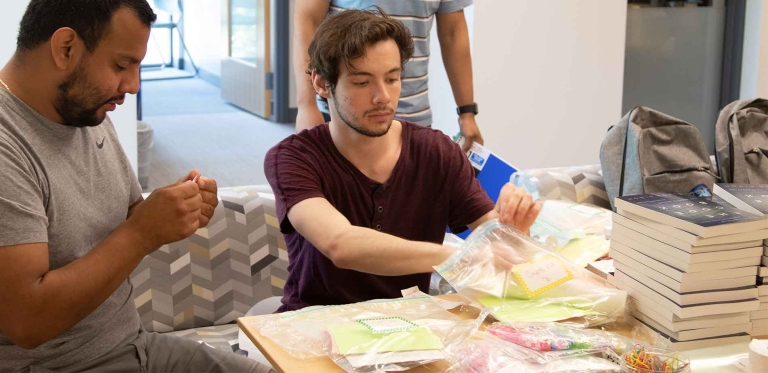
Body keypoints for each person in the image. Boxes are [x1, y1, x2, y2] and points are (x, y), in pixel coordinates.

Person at [0, 1, 270, 372]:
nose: (132, 85)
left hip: (134, 344)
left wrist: (174, 208)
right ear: (65, 48)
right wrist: (144, 232)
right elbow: (27, 322)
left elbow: (126, 219)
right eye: (121, 65)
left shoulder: (84, 112)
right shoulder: (8, 143)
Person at [265, 8, 541, 312]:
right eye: (361, 82)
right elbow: (340, 244)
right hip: (313, 325)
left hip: (412, 325)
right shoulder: (292, 157)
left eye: (393, 78)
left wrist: (513, 228)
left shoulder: (436, 151)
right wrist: (454, 254)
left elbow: (494, 240)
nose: (382, 96)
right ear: (321, 83)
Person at [293, 0, 483, 153]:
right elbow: (308, 20)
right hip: (345, 113)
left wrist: (466, 112)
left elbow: (453, 34)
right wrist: (307, 105)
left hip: (414, 113)